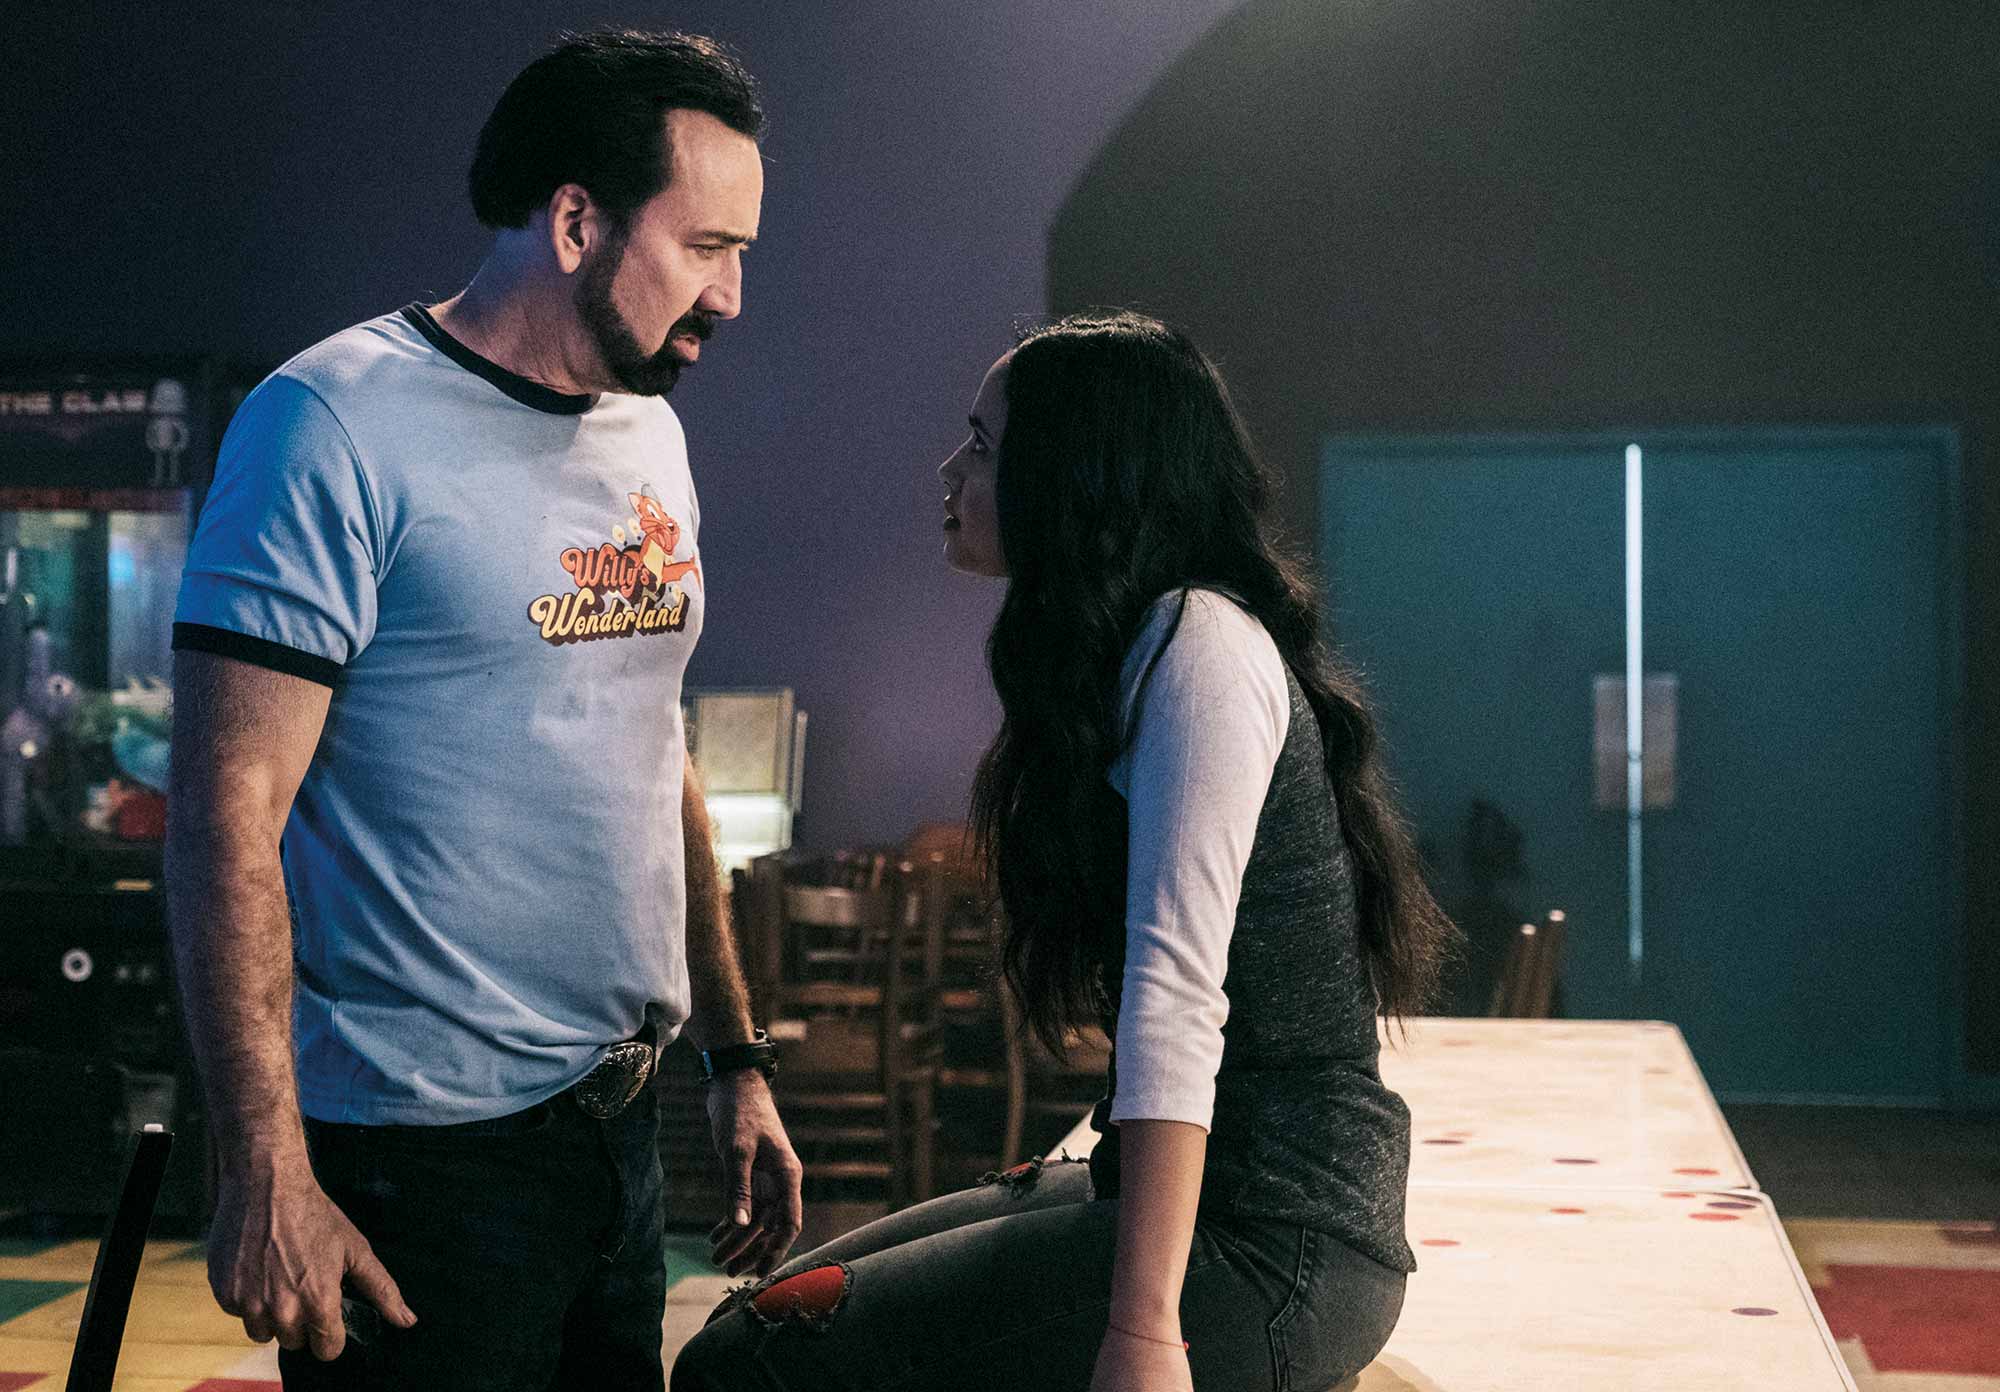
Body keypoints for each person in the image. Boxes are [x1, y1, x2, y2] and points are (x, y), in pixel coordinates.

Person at [164, 29, 803, 1392]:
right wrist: (264, 1159)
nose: (731, 295)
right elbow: (227, 810)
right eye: (705, 246)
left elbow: (655, 750)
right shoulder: (327, 424)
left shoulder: (649, 429)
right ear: (574, 222)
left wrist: (734, 1059)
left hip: (618, 1137)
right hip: (422, 1165)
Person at [669, 312, 1458, 1391]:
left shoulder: (1199, 644)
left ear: (1077, 476)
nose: (950, 471)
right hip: (1198, 1205)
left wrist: (1144, 1332)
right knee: (750, 1328)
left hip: (1279, 1248)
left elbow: (1175, 996)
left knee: (742, 1368)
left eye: (983, 445)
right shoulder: (1140, 645)